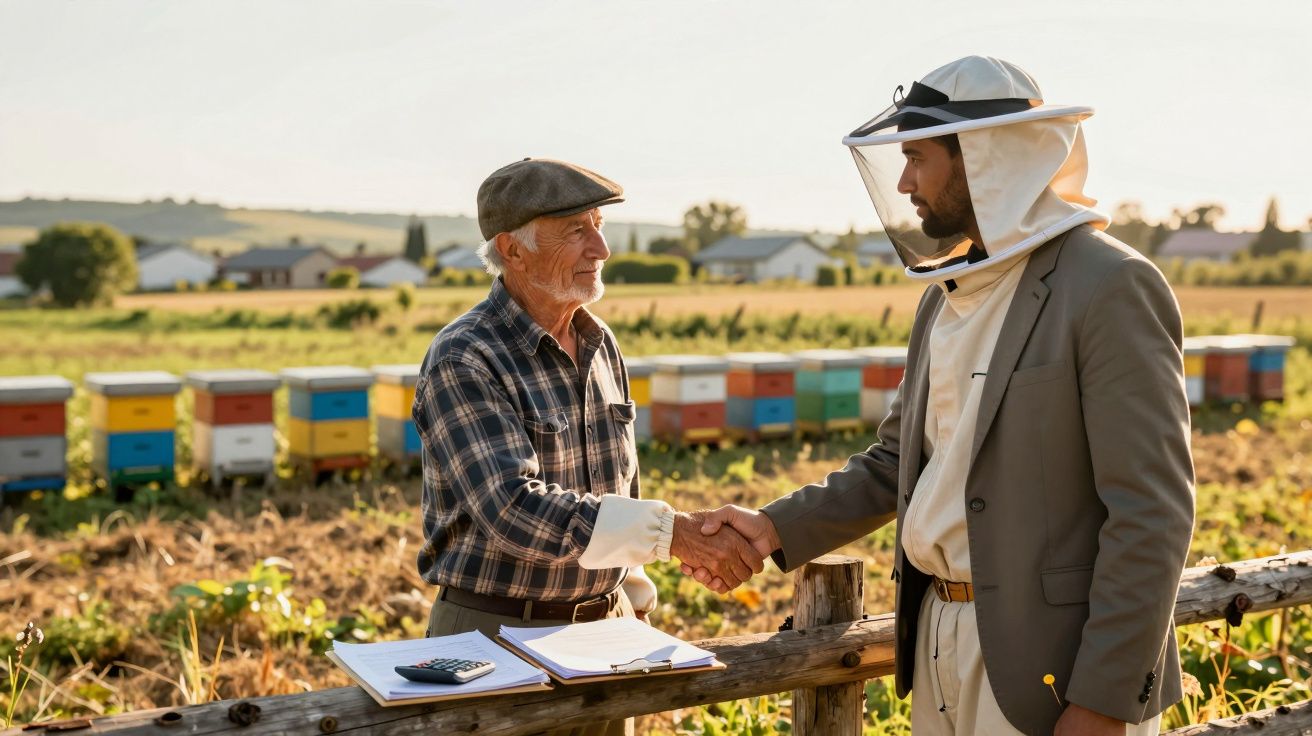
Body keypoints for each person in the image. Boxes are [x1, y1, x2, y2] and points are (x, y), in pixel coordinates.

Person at [685, 56, 1195, 736]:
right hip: (937, 641)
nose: (904, 182)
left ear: (986, 158)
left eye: (918, 158)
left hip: (1052, 665)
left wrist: (1101, 701)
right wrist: (773, 526)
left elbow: (1151, 513)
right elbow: (898, 462)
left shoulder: (1107, 286)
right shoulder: (945, 297)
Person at [411, 158, 763, 736]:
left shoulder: (601, 343)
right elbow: (510, 509)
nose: (600, 247)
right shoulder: (465, 356)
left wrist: (633, 590)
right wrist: (669, 535)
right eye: (577, 230)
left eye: (598, 224)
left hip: (605, 634)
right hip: (495, 641)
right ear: (512, 249)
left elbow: (620, 486)